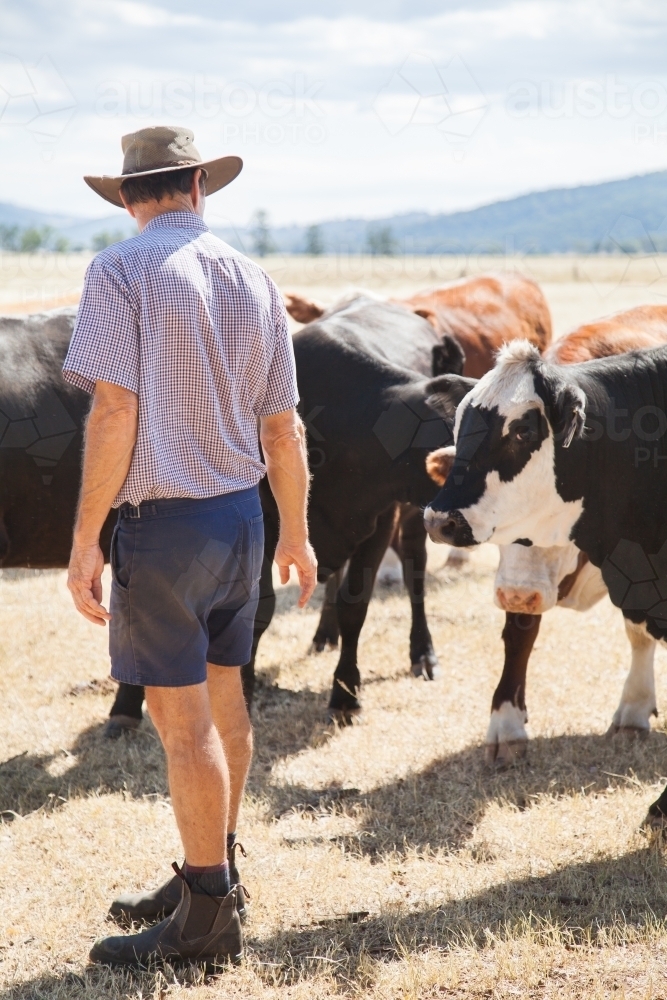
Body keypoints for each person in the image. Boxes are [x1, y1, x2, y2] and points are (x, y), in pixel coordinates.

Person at [63, 125, 317, 967]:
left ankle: (205, 919)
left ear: (130, 198)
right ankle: (216, 870)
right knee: (226, 698)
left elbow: (113, 412)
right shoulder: (254, 276)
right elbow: (282, 428)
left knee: (183, 725)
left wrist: (85, 537)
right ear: (200, 186)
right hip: (240, 519)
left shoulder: (119, 270)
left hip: (164, 527)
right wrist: (298, 534)